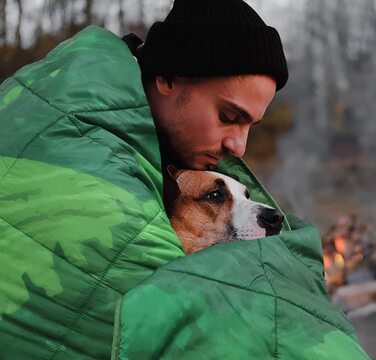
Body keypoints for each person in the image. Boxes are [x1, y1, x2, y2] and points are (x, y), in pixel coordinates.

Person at [0, 0, 370, 359]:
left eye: (250, 126)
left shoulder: (124, 136)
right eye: (228, 115)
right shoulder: (82, 153)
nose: (239, 147)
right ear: (166, 77)